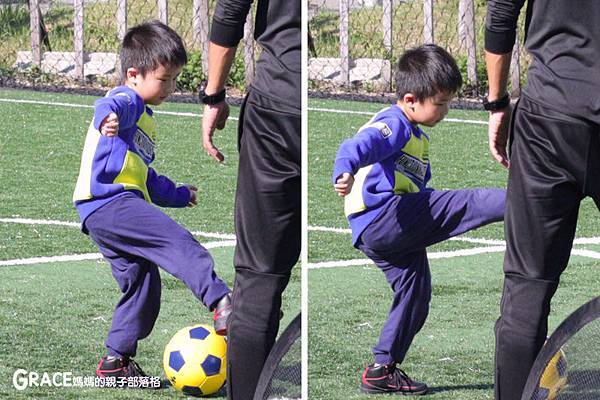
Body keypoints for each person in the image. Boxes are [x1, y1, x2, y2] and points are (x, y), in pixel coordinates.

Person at [332, 44, 506, 395]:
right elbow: (358, 145)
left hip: (380, 231)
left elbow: (417, 188)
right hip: (382, 217)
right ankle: (525, 200)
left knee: (415, 291)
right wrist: (345, 170)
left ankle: (382, 369)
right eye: (440, 103)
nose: (445, 110)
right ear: (411, 99)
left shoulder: (417, 137)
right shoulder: (393, 123)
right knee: (464, 204)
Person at [72, 20, 232, 383]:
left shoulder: (145, 117)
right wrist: (107, 119)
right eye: (165, 79)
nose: (171, 88)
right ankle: (223, 303)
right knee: (176, 242)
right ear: (134, 73)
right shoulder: (127, 101)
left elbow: (146, 177)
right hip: (111, 202)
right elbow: (110, 103)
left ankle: (115, 362)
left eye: (175, 79)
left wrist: (178, 194)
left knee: (142, 283)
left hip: (100, 211)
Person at [484, 1, 600, 399]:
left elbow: (502, 11)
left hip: (549, 113)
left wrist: (497, 103)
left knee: (526, 289)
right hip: (552, 111)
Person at [200, 0, 300, 399]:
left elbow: (229, 13)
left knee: (259, 277)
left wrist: (213, 95)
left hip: (278, 105)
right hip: (300, 101)